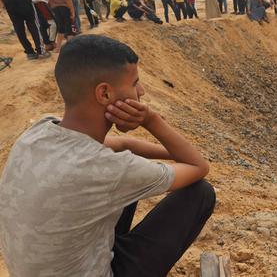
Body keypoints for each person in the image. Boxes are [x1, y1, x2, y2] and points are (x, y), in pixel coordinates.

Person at [0, 34, 215, 276]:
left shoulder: (40, 130)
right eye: (135, 83)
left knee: (127, 171)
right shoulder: (105, 169)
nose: (141, 91)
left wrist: (176, 153)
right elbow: (199, 167)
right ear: (104, 94)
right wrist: (150, 120)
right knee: (200, 193)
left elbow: (122, 144)